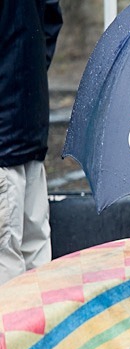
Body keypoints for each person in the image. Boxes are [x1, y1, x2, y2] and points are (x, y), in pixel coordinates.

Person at [0, 0, 62, 285]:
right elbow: (50, 20)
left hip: (6, 140)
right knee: (37, 260)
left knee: (6, 264)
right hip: (29, 122)